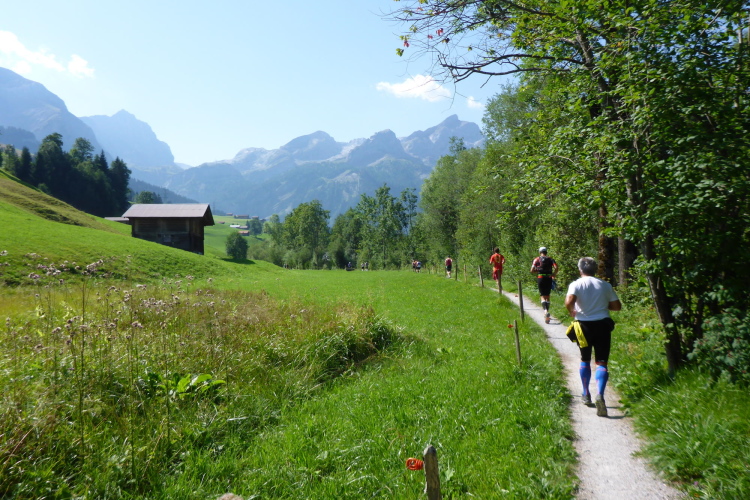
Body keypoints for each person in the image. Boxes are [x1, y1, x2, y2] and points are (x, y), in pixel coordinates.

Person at [565, 257, 622, 417]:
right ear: (595, 269)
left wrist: (571, 310)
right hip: (603, 325)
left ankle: (586, 394)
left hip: (583, 326)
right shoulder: (605, 285)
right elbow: (617, 306)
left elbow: (569, 301)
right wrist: (603, 304)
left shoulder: (576, 284)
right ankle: (600, 395)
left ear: (580, 269)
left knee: (585, 359)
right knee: (602, 362)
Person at [530, 246, 558, 324]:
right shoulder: (551, 259)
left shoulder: (537, 259)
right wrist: (554, 274)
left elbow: (531, 270)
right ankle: (547, 312)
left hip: (541, 277)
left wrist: (538, 270)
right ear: (546, 252)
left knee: (542, 296)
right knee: (547, 296)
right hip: (549, 278)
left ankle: (545, 311)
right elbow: (556, 267)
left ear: (540, 252)